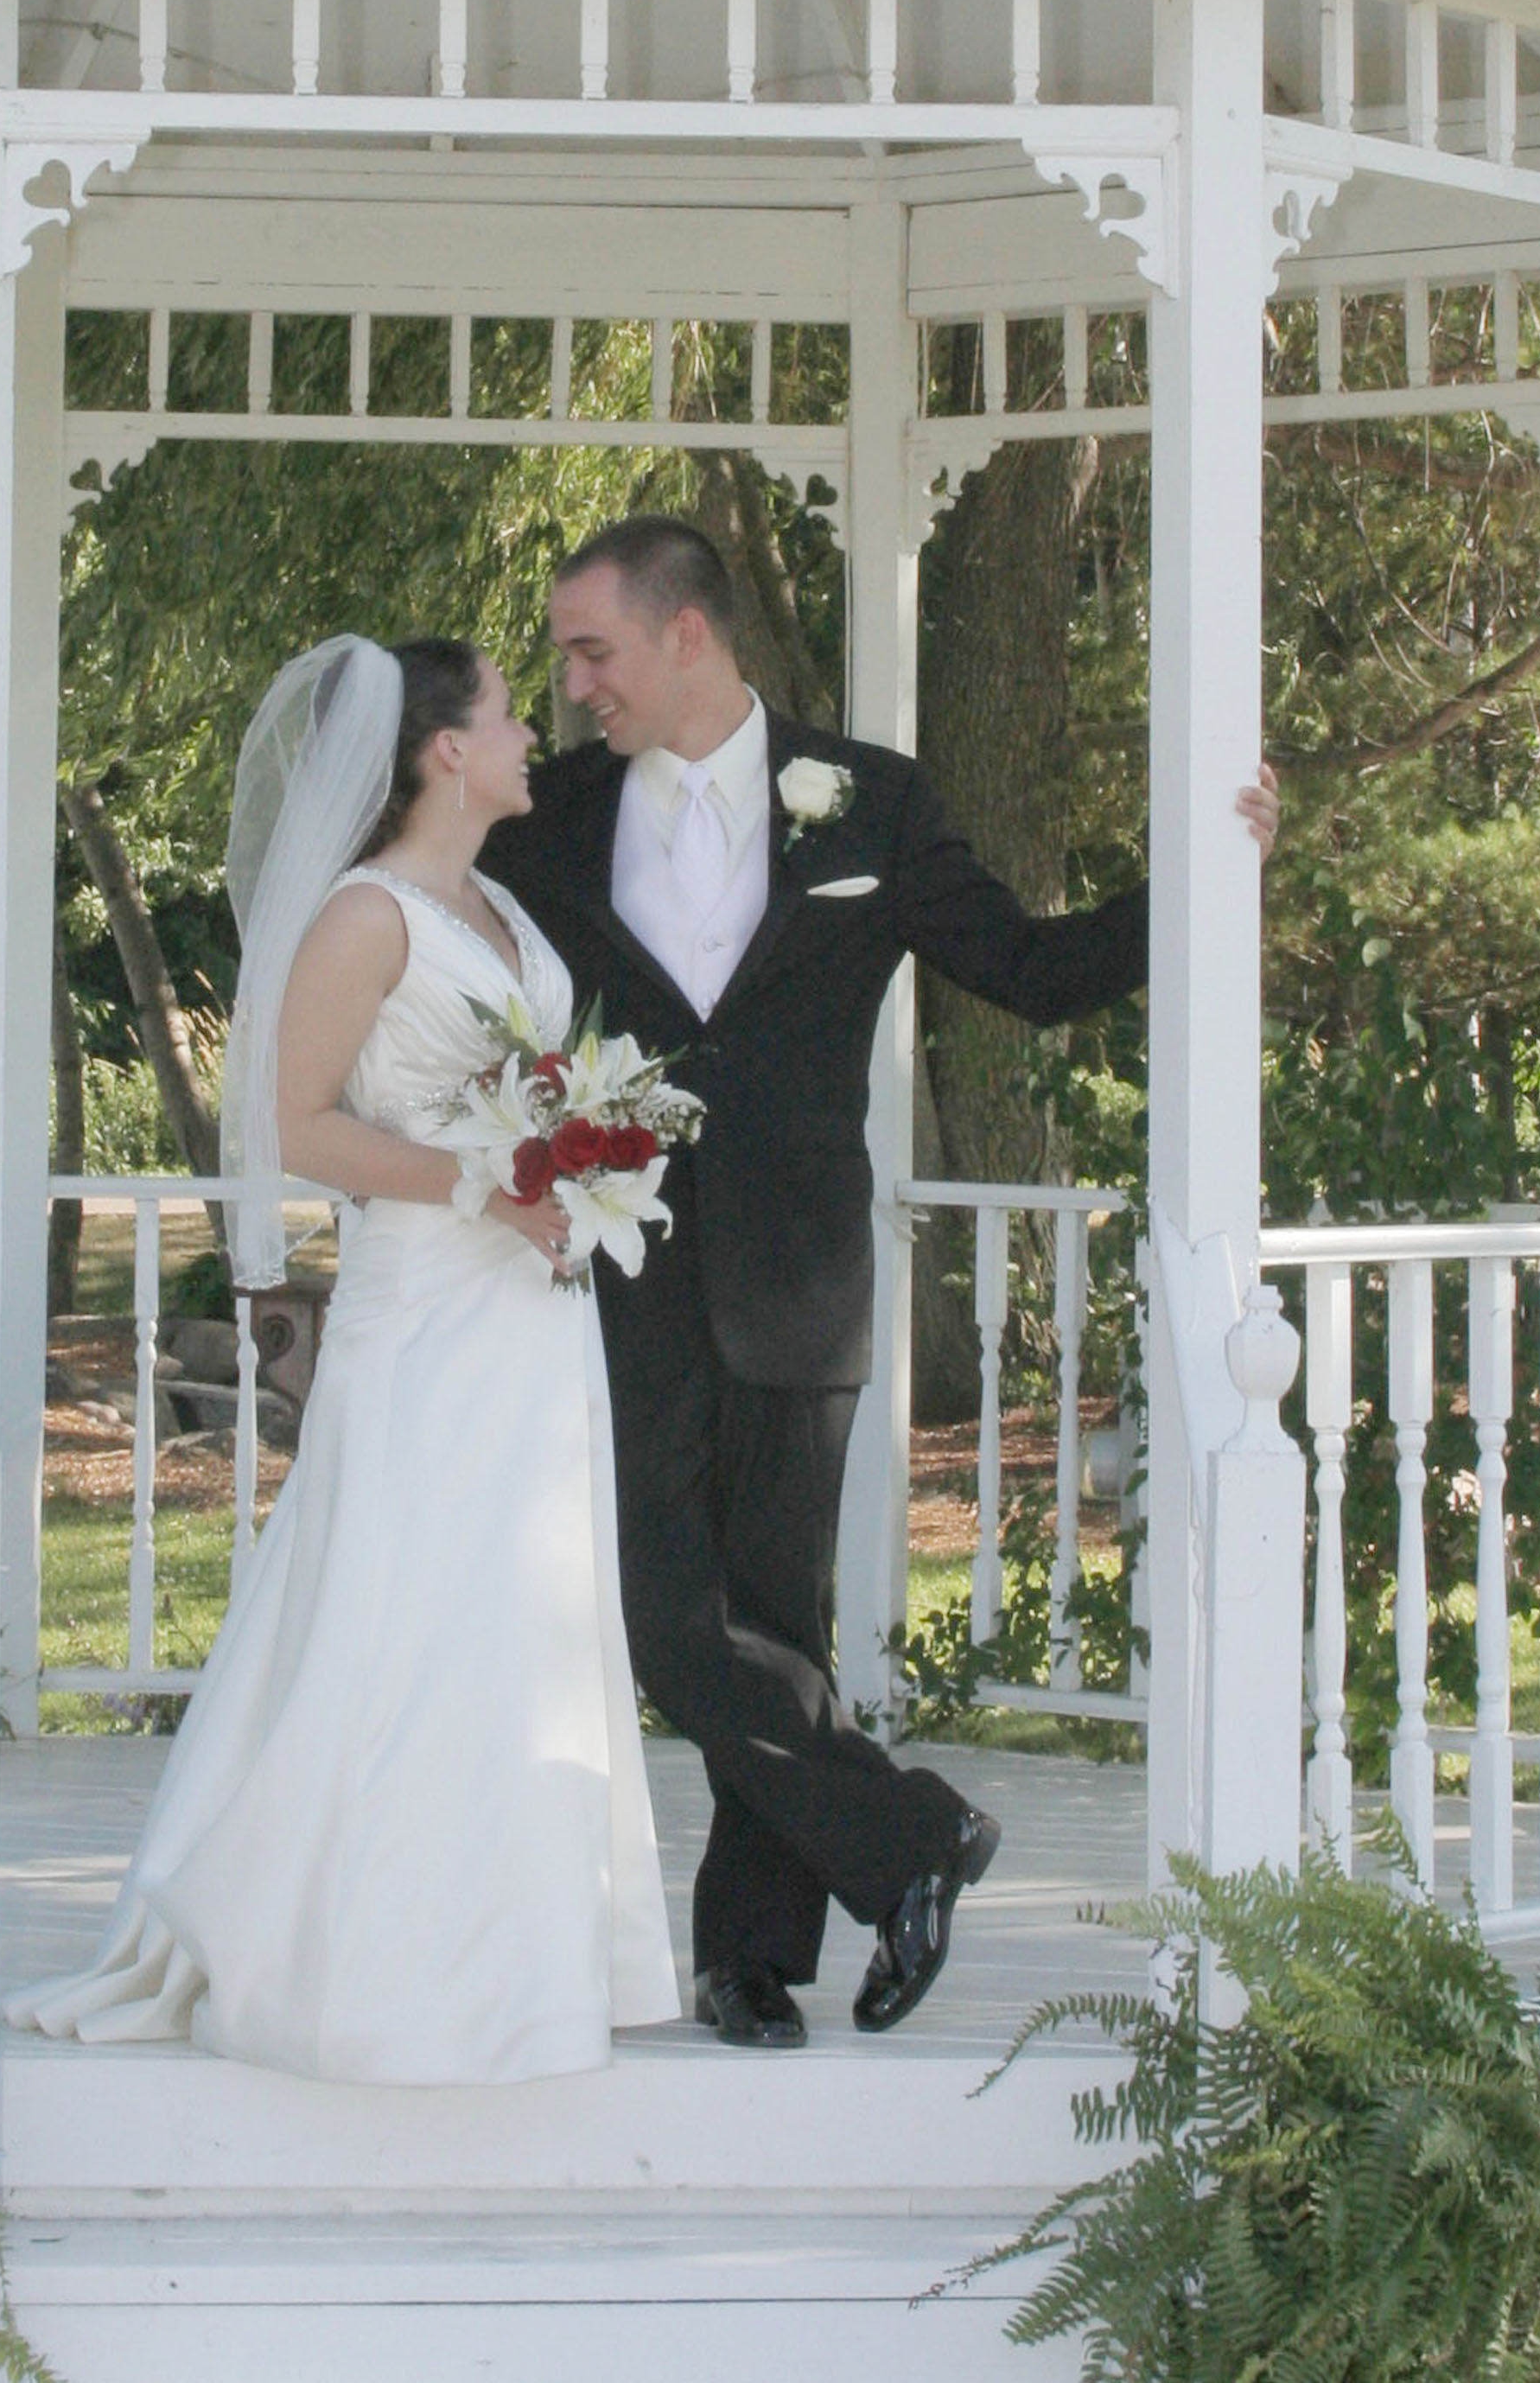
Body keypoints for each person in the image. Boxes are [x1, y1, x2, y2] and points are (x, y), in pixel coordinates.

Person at [484, 515, 1281, 2049]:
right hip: (621, 1264)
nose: (574, 682)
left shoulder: (874, 804)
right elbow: (437, 914)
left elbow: (1036, 978)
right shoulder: (555, 815)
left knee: (773, 1618)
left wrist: (1202, 874)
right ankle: (914, 1840)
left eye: (594, 650)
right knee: (667, 1618)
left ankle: (749, 1962)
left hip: (802, 1271)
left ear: (689, 635)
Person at [6, 634, 679, 2083]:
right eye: (505, 715)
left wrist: (577, 1159)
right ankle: (370, 1963)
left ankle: (523, 1959)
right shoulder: (365, 917)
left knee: (526, 1618)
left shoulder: (496, 902)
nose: (529, 733)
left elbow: (527, 1088)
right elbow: (298, 1123)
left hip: (529, 1316)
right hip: (429, 1305)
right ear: (444, 749)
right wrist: (485, 1180)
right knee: (408, 1611)